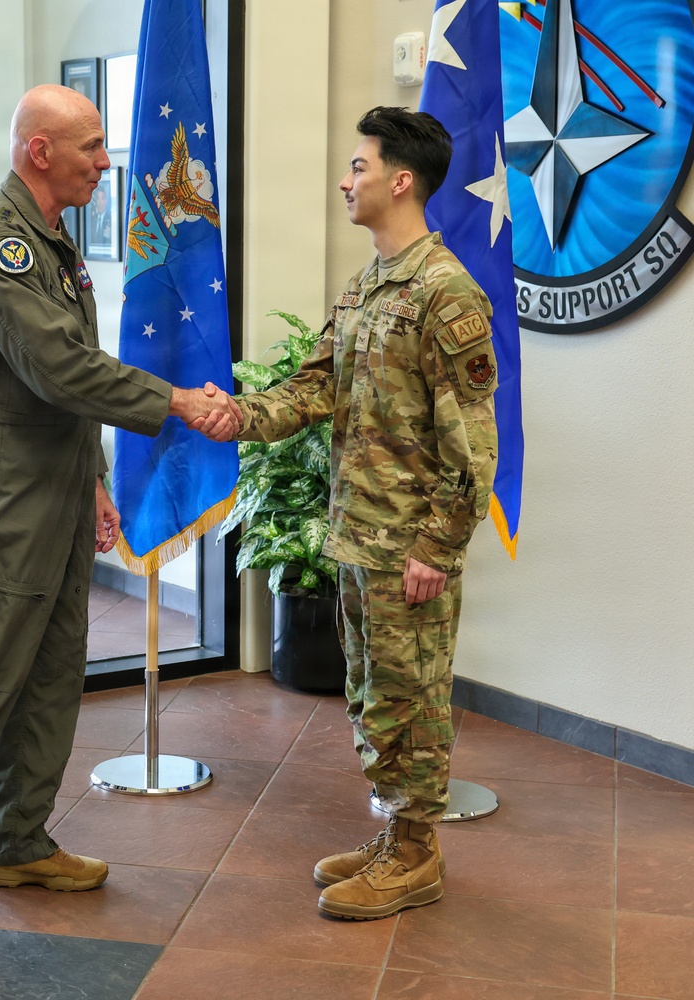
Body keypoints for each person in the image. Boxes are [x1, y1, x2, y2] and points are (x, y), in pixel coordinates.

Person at [0, 84, 238, 937]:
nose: (106, 162)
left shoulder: (50, 237)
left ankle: (16, 840)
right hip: (9, 485)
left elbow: (64, 379)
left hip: (57, 476)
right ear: (41, 153)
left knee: (52, 669)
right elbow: (60, 371)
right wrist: (175, 399)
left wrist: (94, 480)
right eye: (92, 147)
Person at [201, 106, 498, 920]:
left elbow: (474, 446)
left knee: (415, 698)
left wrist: (437, 545)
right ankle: (397, 835)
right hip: (359, 536)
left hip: (409, 547)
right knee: (371, 692)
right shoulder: (367, 285)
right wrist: (241, 415)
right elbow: (317, 388)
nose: (346, 179)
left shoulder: (445, 294)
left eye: (359, 166)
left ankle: (415, 855)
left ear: (401, 180)